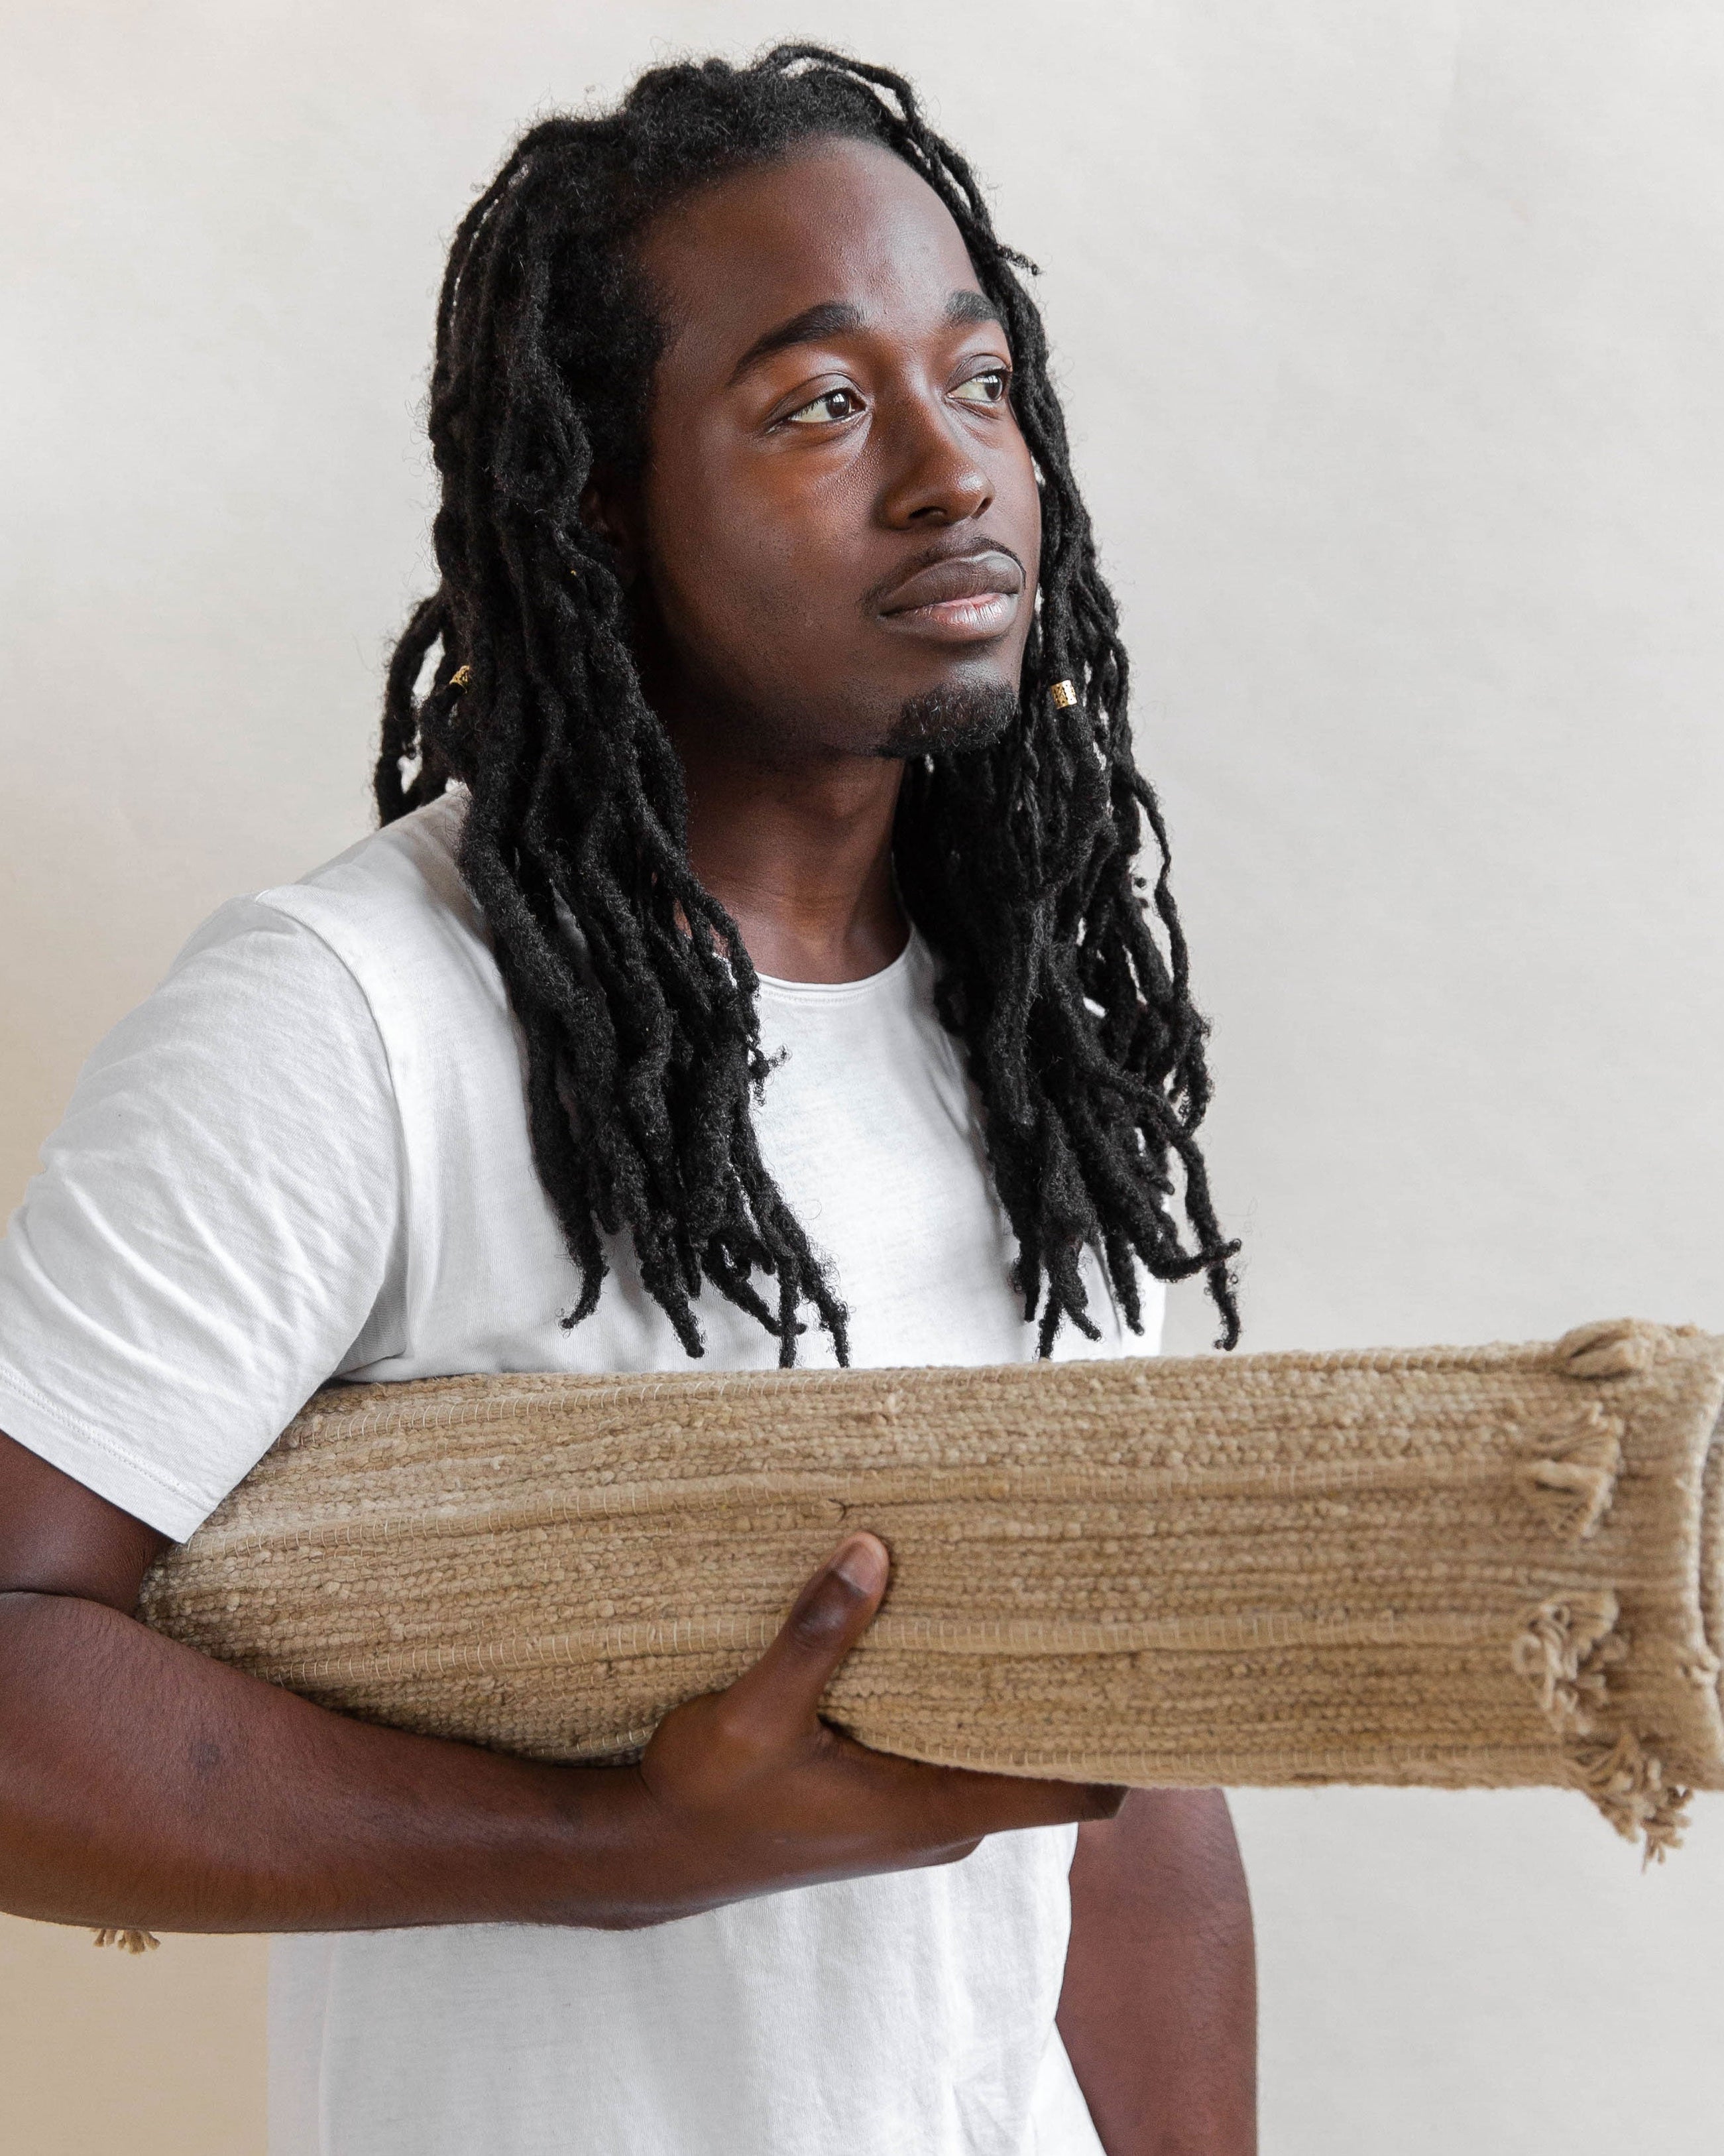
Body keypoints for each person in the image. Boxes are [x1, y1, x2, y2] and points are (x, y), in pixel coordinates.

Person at [0, 45, 1254, 2156]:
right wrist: (613, 1838)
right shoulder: (356, 1016)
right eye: (819, 404)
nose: (953, 472)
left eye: (976, 378)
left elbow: (1128, 1809)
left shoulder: (1034, 1043)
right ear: (598, 496)